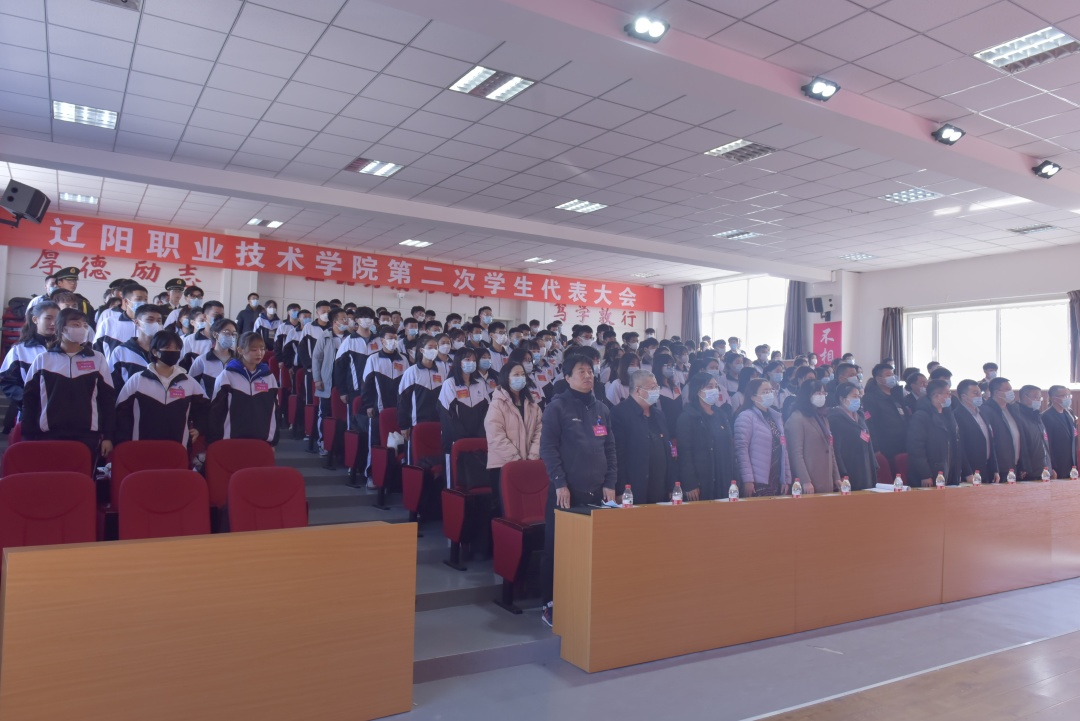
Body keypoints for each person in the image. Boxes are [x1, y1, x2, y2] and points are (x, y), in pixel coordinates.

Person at [539, 352, 616, 628]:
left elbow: (610, 448)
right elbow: (548, 449)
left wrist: (610, 483)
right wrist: (559, 482)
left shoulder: (602, 409)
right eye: (581, 371)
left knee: (590, 549)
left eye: (590, 371)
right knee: (557, 549)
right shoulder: (557, 408)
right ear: (567, 377)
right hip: (566, 491)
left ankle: (583, 599)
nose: (588, 376)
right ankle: (550, 603)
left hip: (597, 491)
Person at [21, 308, 115, 460]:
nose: (82, 329)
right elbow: (29, 401)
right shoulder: (43, 360)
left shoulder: (97, 359)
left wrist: (108, 436)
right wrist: (28, 435)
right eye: (76, 325)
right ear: (61, 328)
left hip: (88, 436)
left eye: (85, 325)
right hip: (49, 434)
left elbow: (107, 401)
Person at [115, 330, 208, 446]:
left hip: (178, 448)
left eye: (177, 348)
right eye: (168, 347)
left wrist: (199, 428)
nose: (173, 352)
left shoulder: (188, 382)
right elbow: (121, 412)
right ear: (155, 352)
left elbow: (204, 408)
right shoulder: (138, 380)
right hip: (141, 447)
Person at [612, 369, 675, 505]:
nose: (656, 391)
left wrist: (671, 485)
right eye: (652, 388)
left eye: (657, 387)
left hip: (660, 489)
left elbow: (667, 451)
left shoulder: (658, 414)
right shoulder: (620, 413)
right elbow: (618, 455)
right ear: (637, 390)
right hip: (634, 489)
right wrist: (621, 489)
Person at [208, 332, 279, 445]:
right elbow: (216, 411)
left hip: (261, 440)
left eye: (262, 349)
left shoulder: (268, 376)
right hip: (230, 440)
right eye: (254, 349)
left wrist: (272, 441)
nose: (259, 353)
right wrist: (214, 440)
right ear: (240, 350)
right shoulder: (227, 375)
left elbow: (274, 410)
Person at [676, 371, 735, 500]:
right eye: (709, 386)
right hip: (702, 479)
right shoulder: (688, 417)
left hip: (723, 474)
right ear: (698, 390)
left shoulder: (721, 414)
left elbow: (730, 446)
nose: (714, 390)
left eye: (716, 386)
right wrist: (690, 483)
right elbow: (685, 453)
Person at [485, 360, 542, 487]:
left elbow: (540, 431)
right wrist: (516, 460)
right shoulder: (497, 404)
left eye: (522, 374)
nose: (520, 377)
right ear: (506, 378)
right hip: (503, 465)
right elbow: (496, 436)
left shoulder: (532, 404)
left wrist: (533, 456)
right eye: (516, 375)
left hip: (529, 464)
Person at [0, 301, 59, 426]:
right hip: (31, 415)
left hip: (62, 414)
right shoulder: (20, 350)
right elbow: (7, 381)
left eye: (57, 319)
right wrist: (27, 400)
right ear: (35, 319)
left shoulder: (66, 349)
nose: (53, 323)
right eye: (48, 318)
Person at [733, 378, 791, 497]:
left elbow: (783, 447)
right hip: (757, 480)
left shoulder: (775, 416)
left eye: (770, 390)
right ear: (753, 396)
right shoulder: (746, 417)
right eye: (765, 391)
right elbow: (741, 450)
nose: (769, 394)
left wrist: (785, 478)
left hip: (776, 476)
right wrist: (748, 480)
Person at [785, 380, 841, 494]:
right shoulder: (797, 418)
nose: (821, 396)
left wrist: (836, 476)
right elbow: (796, 454)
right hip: (809, 479)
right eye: (817, 393)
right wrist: (805, 480)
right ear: (807, 395)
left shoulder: (822, 417)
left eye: (823, 393)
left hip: (826, 477)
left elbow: (830, 449)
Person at [907, 379, 961, 486]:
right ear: (936, 396)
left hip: (950, 469)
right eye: (947, 393)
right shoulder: (921, 416)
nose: (950, 396)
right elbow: (916, 448)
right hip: (931, 471)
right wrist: (925, 474)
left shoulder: (948, 415)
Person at [438, 347, 491, 457]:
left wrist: (480, 434)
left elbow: (487, 411)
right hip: (456, 441)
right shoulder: (449, 384)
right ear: (459, 362)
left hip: (478, 440)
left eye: (474, 360)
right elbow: (448, 415)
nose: (471, 363)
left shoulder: (480, 383)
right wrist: (463, 438)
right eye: (467, 360)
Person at [311, 307, 349, 458]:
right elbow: (316, 357)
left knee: (343, 415)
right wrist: (317, 379)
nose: (346, 321)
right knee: (325, 413)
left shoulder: (350, 337)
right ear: (334, 321)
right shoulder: (325, 336)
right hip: (327, 380)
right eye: (343, 319)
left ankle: (341, 445)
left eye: (346, 318)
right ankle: (323, 443)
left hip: (345, 382)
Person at [828, 382, 878, 491]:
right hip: (849, 466)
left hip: (866, 464)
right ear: (842, 399)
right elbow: (836, 449)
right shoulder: (834, 418)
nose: (858, 399)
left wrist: (873, 463)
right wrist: (842, 472)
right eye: (854, 396)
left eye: (859, 396)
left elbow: (868, 439)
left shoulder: (860, 415)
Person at [398, 335, 446, 441]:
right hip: (416, 423)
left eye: (436, 347)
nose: (433, 350)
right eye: (430, 347)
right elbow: (403, 400)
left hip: (437, 422)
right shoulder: (412, 371)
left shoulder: (441, 370)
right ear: (422, 350)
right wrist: (404, 425)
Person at [862, 363, 909, 468]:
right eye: (888, 375)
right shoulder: (870, 398)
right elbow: (869, 424)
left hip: (902, 444)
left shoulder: (896, 395)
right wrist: (875, 448)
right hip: (885, 447)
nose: (893, 377)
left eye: (893, 374)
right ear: (879, 379)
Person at [107, 304, 162, 391]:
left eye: (159, 321)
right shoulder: (121, 351)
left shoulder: (166, 351)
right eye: (150, 320)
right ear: (137, 322)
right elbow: (112, 384)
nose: (155, 324)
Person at [955, 379, 999, 484]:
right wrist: (967, 472)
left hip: (987, 470)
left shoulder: (983, 412)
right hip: (971, 472)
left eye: (980, 392)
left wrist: (995, 469)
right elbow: (959, 448)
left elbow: (990, 442)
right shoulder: (957, 415)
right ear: (964, 396)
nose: (979, 396)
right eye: (975, 393)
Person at [93, 282, 149, 354]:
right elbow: (96, 349)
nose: (143, 303)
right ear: (126, 301)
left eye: (145, 299)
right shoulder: (109, 323)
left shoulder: (150, 324)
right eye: (139, 299)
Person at [188, 318, 237, 397]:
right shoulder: (202, 360)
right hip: (208, 403)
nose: (231, 337)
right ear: (215, 334)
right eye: (227, 333)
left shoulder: (238, 361)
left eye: (233, 334)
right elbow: (191, 386)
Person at [1015, 385, 1054, 479]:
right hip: (1029, 472)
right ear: (1024, 397)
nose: (1038, 400)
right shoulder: (1017, 416)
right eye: (1036, 397)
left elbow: (1044, 443)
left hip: (1044, 470)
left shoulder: (1037, 415)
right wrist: (1023, 467)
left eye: (1040, 398)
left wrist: (1050, 467)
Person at [1043, 385, 1077, 478]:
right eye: (1064, 396)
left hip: (1071, 464)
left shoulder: (1068, 414)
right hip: (1057, 465)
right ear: (1054, 398)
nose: (1067, 398)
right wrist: (1051, 467)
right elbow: (1047, 445)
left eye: (1068, 395)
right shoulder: (1046, 416)